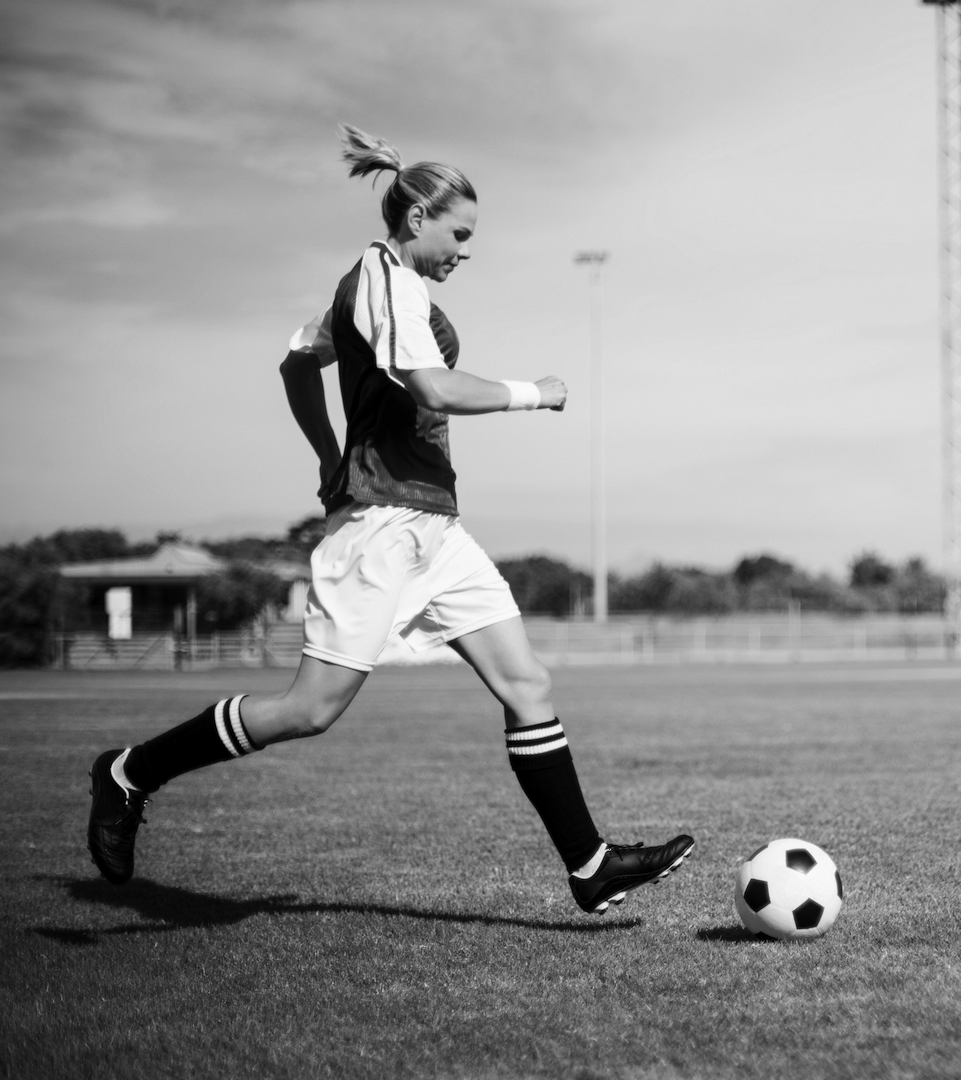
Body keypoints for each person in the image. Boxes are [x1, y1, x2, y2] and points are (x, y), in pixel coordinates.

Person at [86, 124, 693, 915]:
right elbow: (428, 388)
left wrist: (323, 455)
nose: (465, 251)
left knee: (527, 682)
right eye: (460, 234)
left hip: (436, 525)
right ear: (417, 220)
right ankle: (129, 772)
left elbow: (301, 361)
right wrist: (534, 391)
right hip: (379, 524)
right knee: (310, 710)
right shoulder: (382, 279)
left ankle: (590, 865)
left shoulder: (391, 290)